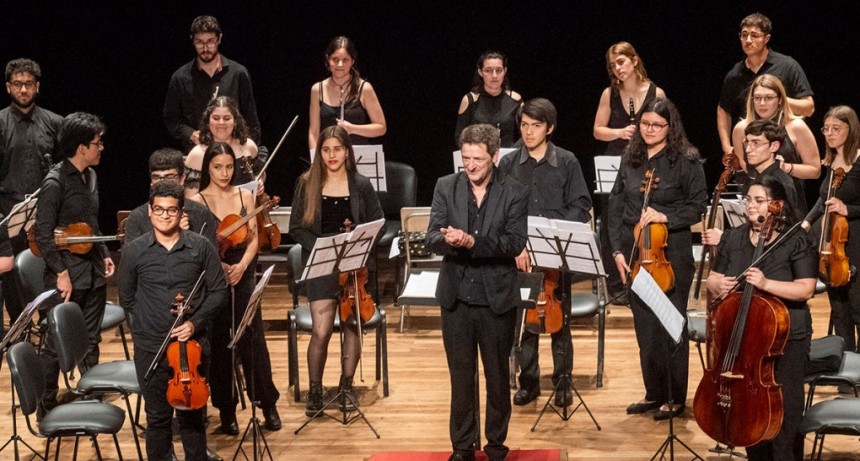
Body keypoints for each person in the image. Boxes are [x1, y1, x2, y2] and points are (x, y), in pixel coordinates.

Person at [428, 124, 528, 461]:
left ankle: (496, 446)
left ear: (495, 157)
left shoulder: (514, 190)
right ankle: (462, 447)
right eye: (465, 158)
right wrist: (447, 240)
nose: (470, 166)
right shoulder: (446, 186)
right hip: (456, 296)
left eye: (478, 160)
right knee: (461, 377)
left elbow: (514, 243)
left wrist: (472, 242)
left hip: (496, 296)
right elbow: (431, 237)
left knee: (498, 377)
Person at [608, 99, 706, 420]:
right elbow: (616, 204)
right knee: (645, 329)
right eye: (645, 124)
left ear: (670, 127)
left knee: (670, 325)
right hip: (635, 255)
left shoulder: (686, 161)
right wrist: (617, 252)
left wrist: (665, 214)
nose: (649, 130)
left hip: (671, 256)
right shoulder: (631, 158)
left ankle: (675, 396)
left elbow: (696, 207)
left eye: (657, 125)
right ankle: (654, 393)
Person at [707, 176, 815, 461]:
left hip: (787, 334)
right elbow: (712, 279)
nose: (750, 206)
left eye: (758, 200)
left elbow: (805, 289)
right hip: (745, 335)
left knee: (785, 408)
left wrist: (766, 284)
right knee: (749, 408)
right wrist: (720, 285)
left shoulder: (796, 239)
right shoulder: (733, 236)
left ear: (776, 205)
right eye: (748, 200)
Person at [119, 180, 227, 461]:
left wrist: (195, 322)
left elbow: (218, 291)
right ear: (149, 211)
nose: (165, 215)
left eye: (172, 210)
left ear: (181, 213)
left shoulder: (201, 247)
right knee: (157, 419)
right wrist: (145, 332)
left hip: (192, 346)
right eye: (159, 209)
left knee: (193, 420)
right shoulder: (134, 251)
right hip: (151, 347)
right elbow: (127, 299)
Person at [497, 98, 591, 408]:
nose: (528, 131)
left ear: (549, 128)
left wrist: (554, 233)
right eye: (524, 125)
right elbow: (500, 210)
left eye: (536, 126)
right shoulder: (508, 164)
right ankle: (529, 382)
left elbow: (581, 205)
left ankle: (562, 381)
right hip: (521, 255)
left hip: (556, 255)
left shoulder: (566, 161)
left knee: (559, 321)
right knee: (526, 322)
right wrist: (516, 245)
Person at [289, 125, 384, 416]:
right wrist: (321, 245)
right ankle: (315, 389)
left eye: (337, 149)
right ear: (320, 152)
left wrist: (358, 244)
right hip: (321, 265)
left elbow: (378, 222)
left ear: (347, 152)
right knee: (321, 331)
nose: (332, 155)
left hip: (353, 265)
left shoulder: (361, 184)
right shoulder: (306, 183)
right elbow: (295, 228)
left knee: (352, 324)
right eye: (326, 150)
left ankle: (346, 385)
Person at [189, 142, 281, 434]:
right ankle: (226, 410)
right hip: (214, 277)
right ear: (208, 168)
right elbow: (200, 247)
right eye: (218, 167)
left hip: (243, 271)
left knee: (253, 340)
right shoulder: (198, 201)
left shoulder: (245, 194)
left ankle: (267, 404)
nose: (225, 172)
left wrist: (242, 266)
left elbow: (254, 238)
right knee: (219, 344)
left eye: (229, 166)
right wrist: (220, 268)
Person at [34, 112, 114, 413]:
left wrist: (104, 254)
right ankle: (46, 402)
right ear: (82, 147)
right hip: (66, 274)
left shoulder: (90, 176)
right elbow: (43, 234)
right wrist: (61, 274)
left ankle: (91, 391)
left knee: (91, 338)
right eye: (97, 142)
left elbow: (90, 222)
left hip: (91, 272)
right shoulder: (55, 182)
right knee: (55, 341)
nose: (101, 147)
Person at [592, 42, 666, 304]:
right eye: (612, 65)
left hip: (645, 163)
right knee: (613, 225)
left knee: (640, 223)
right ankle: (616, 284)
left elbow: (667, 128)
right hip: (615, 161)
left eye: (621, 62)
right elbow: (598, 130)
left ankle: (645, 278)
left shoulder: (656, 92)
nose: (617, 69)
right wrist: (620, 132)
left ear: (634, 60)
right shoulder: (609, 93)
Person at [802, 105, 860, 352]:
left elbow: (843, 204)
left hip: (856, 240)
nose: (829, 133)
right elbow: (824, 198)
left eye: (836, 128)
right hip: (833, 244)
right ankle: (845, 360)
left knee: (858, 305)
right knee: (839, 306)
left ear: (852, 129)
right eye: (826, 128)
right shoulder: (833, 160)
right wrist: (806, 222)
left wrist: (849, 209)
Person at [717, 12, 814, 157]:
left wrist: (777, 100)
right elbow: (723, 110)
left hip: (782, 147)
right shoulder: (734, 75)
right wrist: (726, 145)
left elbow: (809, 108)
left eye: (754, 35)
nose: (748, 40)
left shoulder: (787, 66)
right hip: (750, 151)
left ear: (766, 38)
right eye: (744, 35)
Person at [164, 15, 262, 152]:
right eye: (199, 42)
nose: (205, 48)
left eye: (210, 41)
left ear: (219, 39)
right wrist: (191, 134)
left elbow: (251, 119)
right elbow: (171, 118)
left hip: (233, 152)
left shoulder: (238, 73)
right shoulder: (180, 77)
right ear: (192, 41)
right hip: (198, 152)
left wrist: (246, 152)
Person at [731, 74, 819, 214]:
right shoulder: (741, 129)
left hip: (790, 203)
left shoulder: (796, 126)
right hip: (755, 204)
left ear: (780, 100)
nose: (762, 103)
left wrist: (786, 167)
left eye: (769, 98)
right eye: (758, 98)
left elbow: (815, 170)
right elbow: (744, 169)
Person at [0, 58, 63, 217]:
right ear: (8, 87)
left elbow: (66, 169)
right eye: (17, 84)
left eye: (28, 84)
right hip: (6, 212)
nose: (23, 90)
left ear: (37, 86)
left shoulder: (56, 122)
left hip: (46, 211)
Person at [123, 148, 218, 247]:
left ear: (182, 179)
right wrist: (173, 234)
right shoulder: (137, 218)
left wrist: (186, 236)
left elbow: (210, 259)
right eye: (157, 177)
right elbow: (132, 260)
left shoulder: (201, 213)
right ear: (151, 182)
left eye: (169, 177)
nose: (163, 183)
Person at [308, 36, 386, 151]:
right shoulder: (317, 89)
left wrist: (352, 128)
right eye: (335, 59)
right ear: (327, 59)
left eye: (345, 60)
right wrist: (315, 161)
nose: (340, 65)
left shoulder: (364, 88)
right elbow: (313, 132)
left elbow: (381, 128)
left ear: (352, 61)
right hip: (329, 157)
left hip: (357, 156)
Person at [185, 96, 259, 198]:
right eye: (216, 118)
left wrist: (260, 182)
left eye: (226, 118)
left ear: (235, 121)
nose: (221, 123)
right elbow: (191, 200)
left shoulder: (249, 146)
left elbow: (259, 174)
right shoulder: (197, 154)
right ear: (208, 122)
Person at [455, 51, 522, 148]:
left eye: (498, 70)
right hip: (478, 158)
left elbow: (526, 133)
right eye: (488, 70)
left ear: (505, 71)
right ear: (480, 72)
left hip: (508, 159)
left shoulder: (515, 100)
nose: (494, 75)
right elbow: (459, 137)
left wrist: (513, 153)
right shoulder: (470, 100)